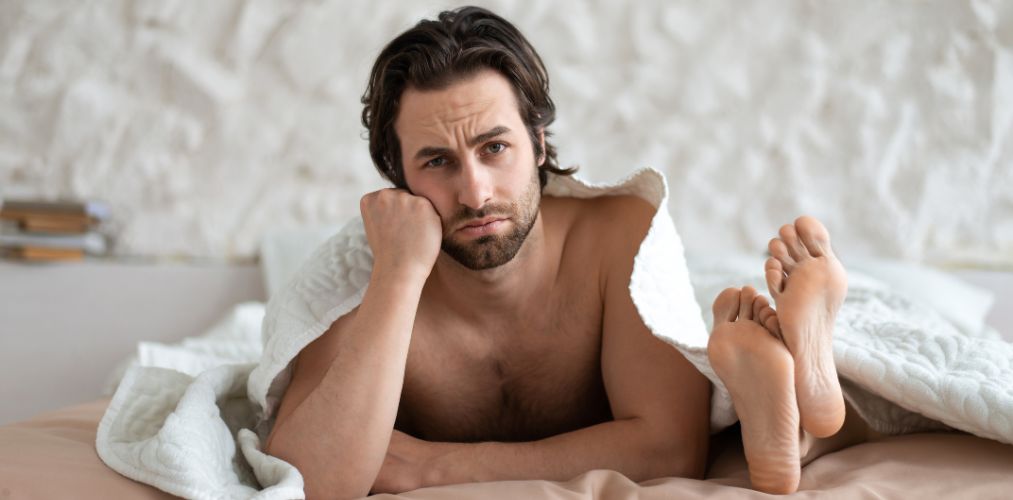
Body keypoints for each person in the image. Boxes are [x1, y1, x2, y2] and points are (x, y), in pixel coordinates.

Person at [263, 6, 859, 498]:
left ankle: (795, 380)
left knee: (807, 372)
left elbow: (671, 449)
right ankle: (795, 406)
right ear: (399, 178)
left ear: (538, 144)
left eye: (494, 147)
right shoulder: (365, 280)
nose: (475, 192)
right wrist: (397, 277)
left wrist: (428, 468)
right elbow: (310, 481)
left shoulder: (620, 233)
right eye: (437, 162)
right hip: (396, 277)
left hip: (696, 314)